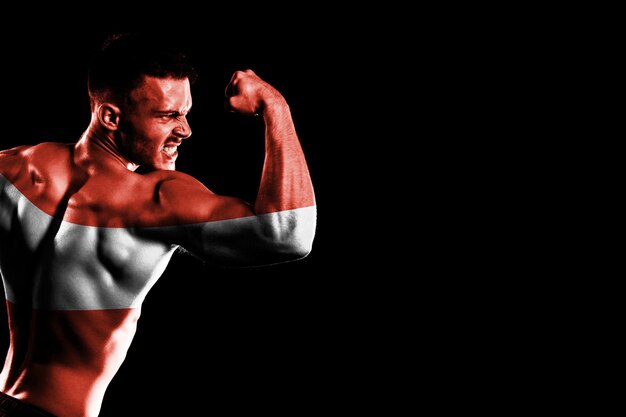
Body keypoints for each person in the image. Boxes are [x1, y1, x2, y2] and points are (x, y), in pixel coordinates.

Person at [0, 33, 316, 417]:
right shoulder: (154, 199)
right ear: (111, 117)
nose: (185, 130)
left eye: (185, 114)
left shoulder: (15, 168)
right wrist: (275, 106)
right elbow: (289, 234)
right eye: (168, 116)